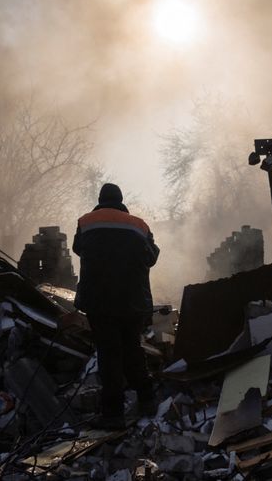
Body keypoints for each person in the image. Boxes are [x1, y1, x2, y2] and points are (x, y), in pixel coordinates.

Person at [73, 183, 160, 429]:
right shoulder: (139, 225)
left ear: (100, 200)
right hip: (132, 301)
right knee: (132, 349)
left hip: (99, 302)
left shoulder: (86, 222)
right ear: (121, 200)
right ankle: (147, 400)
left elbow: (78, 249)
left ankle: (113, 415)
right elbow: (151, 257)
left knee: (109, 355)